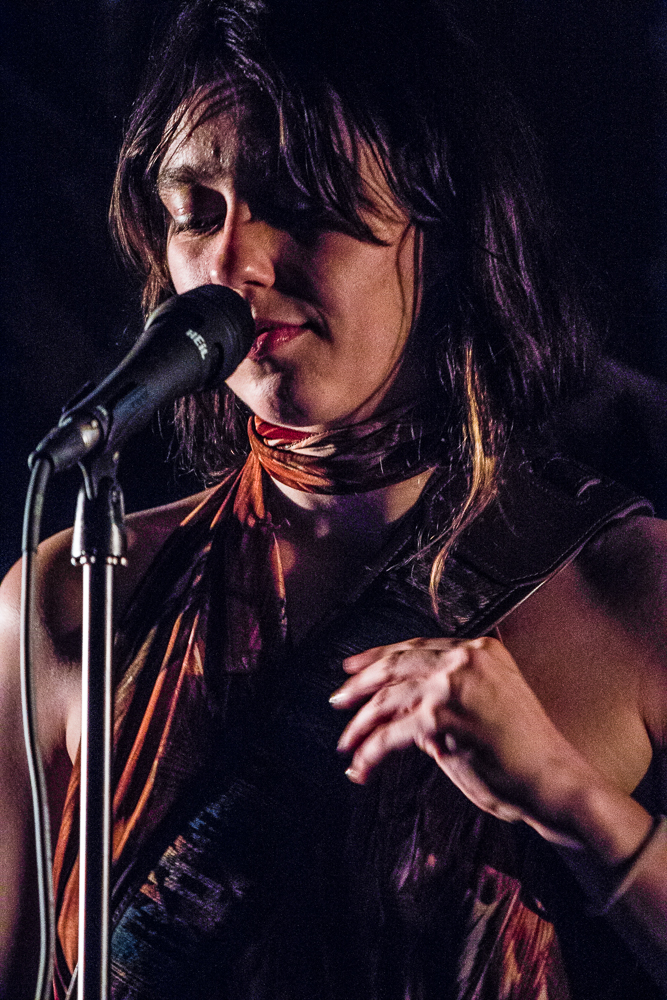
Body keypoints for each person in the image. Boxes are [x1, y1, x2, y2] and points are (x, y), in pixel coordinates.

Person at [1, 0, 666, 996]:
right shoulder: (65, 600)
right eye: (196, 210)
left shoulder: (627, 584)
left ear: (441, 235)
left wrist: (571, 800)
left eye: (299, 202)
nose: (231, 266)